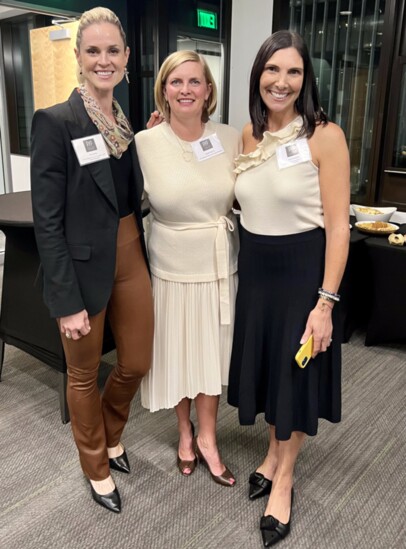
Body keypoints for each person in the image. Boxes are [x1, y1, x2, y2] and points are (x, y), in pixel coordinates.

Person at [227, 30, 350, 546]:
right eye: (272, 70)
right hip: (256, 273)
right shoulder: (247, 136)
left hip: (304, 275)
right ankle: (272, 454)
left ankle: (286, 478)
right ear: (258, 74)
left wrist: (325, 303)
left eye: (293, 71)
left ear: (306, 79)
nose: (281, 81)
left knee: (295, 376)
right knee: (270, 371)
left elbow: (339, 226)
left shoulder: (324, 135)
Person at [30, 7, 154, 513]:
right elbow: (47, 222)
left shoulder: (126, 123)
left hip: (129, 252)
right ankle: (96, 464)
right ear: (79, 59)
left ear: (126, 58)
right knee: (82, 374)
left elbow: (130, 193)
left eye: (113, 51)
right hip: (80, 268)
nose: (104, 60)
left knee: (137, 361)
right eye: (93, 51)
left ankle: (111, 429)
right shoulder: (56, 122)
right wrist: (65, 300)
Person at [135, 51, 240, 486]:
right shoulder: (144, 143)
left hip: (218, 266)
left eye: (194, 82)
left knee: (211, 356)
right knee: (178, 354)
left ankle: (209, 438)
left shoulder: (233, 138)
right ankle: (184, 433)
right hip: (169, 268)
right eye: (175, 82)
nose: (185, 90)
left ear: (209, 90)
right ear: (163, 89)